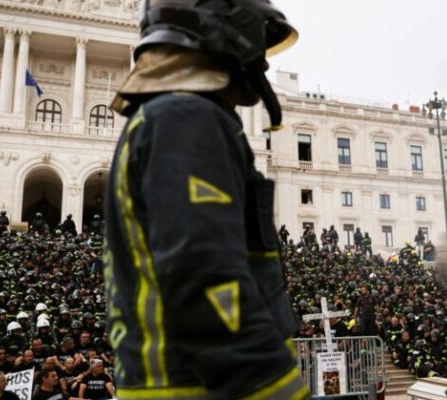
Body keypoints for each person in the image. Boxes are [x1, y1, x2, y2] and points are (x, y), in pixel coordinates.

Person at [104, 0, 306, 398]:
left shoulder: (167, 117)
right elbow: (204, 279)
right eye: (256, 47)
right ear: (222, 34)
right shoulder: (186, 119)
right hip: (199, 387)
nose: (263, 66)